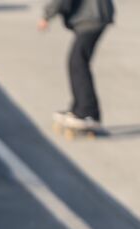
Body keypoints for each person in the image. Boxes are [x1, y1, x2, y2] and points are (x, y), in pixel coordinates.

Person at [38, 0, 115, 131]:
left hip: (91, 17)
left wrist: (47, 16)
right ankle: (82, 109)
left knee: (77, 62)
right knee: (79, 62)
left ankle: (86, 112)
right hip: (98, 14)